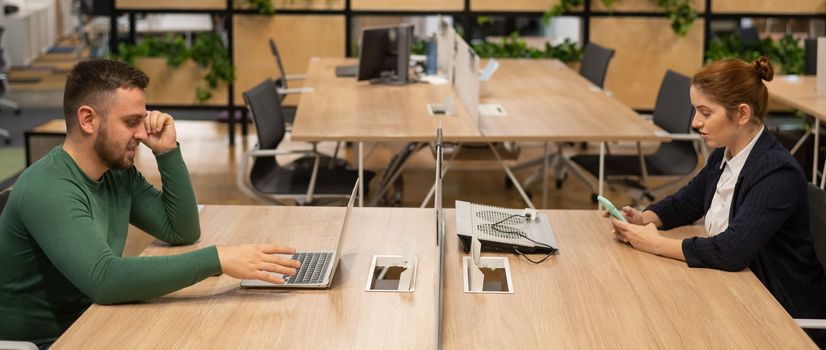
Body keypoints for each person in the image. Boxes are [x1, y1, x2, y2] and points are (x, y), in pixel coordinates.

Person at [0, 59, 301, 346]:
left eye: (142, 120)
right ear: (88, 119)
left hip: (96, 321)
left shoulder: (116, 173)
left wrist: (167, 151)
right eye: (131, 122)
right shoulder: (48, 187)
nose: (143, 133)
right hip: (49, 342)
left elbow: (181, 230)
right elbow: (105, 280)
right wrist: (217, 260)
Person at [608, 57, 826, 345]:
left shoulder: (777, 172)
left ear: (742, 114)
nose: (696, 122)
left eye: (705, 112)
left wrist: (654, 244)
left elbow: (731, 251)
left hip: (781, 316)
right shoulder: (724, 156)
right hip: (736, 291)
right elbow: (686, 202)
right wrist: (645, 218)